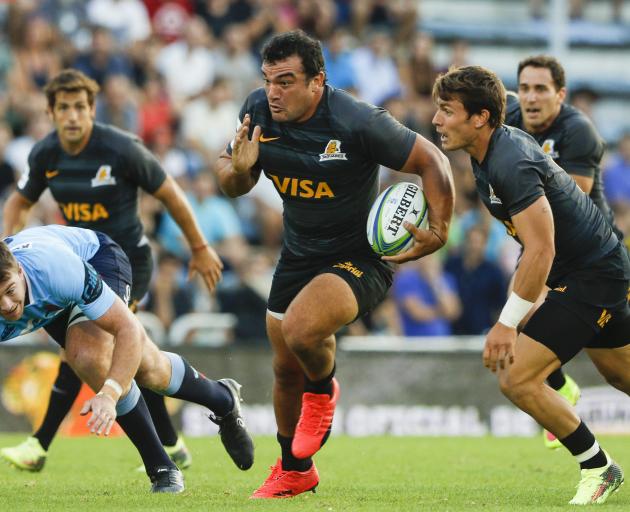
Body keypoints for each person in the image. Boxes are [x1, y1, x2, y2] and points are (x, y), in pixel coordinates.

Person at [215, 30, 454, 498]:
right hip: (299, 253)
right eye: (268, 80)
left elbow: (434, 162)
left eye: (286, 81)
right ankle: (294, 468)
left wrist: (440, 230)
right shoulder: (258, 111)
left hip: (360, 256)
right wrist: (240, 169)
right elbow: (230, 180)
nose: (274, 92)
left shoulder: (357, 121)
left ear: (318, 81)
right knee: (284, 367)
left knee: (301, 330)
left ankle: (323, 390)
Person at [0, 68, 220, 473]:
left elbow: (170, 192)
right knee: (120, 357)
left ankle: (41, 445)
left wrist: (200, 247)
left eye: (79, 107)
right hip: (71, 262)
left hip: (122, 260)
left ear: (92, 109)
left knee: (92, 351)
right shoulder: (45, 154)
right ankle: (173, 444)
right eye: (63, 108)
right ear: (50, 112)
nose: (72, 116)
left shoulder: (121, 149)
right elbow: (18, 202)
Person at [432, 65, 629, 505]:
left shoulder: (509, 161)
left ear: (479, 118)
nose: (437, 120)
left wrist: (507, 324)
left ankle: (599, 467)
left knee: (517, 378)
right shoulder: (489, 148)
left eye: (447, 110)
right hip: (585, 271)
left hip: (591, 275)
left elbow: (541, 249)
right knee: (622, 374)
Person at [0, 224, 254, 492]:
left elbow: (128, 329)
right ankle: (219, 401)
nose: (6, 306)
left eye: (9, 290)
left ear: (19, 270)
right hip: (53, 298)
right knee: (148, 368)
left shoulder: (56, 270)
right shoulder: (17, 294)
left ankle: (163, 465)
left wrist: (110, 394)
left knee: (93, 357)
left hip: (96, 259)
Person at [505, 54, 620, 449]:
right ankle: (561, 386)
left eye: (541, 89)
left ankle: (560, 390)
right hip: (548, 252)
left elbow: (568, 207)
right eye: (524, 89)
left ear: (560, 94)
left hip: (590, 259)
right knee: (619, 372)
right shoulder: (511, 118)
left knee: (615, 370)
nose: (531, 98)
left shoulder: (578, 130)